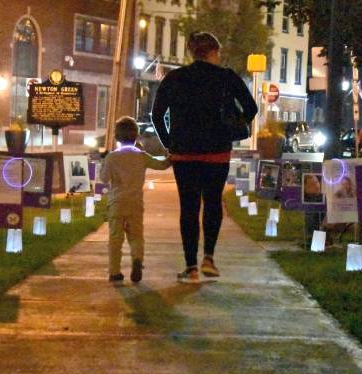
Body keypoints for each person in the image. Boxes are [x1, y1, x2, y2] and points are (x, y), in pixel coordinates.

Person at [152, 31, 257, 282]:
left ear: (192, 52)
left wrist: (170, 143)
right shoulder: (226, 78)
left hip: (184, 153)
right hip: (217, 152)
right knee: (212, 203)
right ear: (213, 52)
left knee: (188, 207)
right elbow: (251, 108)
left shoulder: (175, 78)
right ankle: (209, 258)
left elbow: (157, 115)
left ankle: (191, 268)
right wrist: (232, 127)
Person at [100, 116, 170, 283]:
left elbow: (104, 178)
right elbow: (162, 165)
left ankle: (114, 272)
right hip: (135, 203)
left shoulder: (112, 157)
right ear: (136, 135)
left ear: (117, 136)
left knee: (115, 238)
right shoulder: (142, 156)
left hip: (116, 202)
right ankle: (137, 259)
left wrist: (104, 161)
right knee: (136, 236)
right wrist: (170, 154)